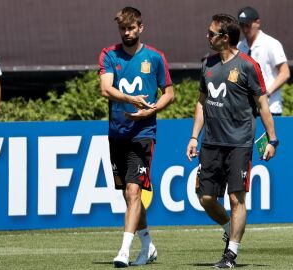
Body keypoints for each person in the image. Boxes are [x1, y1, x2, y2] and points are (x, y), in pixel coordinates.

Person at [186, 14, 278, 268]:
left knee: (237, 198)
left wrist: (272, 139)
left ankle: (231, 254)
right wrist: (194, 136)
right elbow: (202, 102)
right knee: (204, 197)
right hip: (211, 143)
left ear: (225, 38)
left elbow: (262, 104)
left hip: (240, 143)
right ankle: (229, 228)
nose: (207, 36)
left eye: (211, 33)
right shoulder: (208, 64)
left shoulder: (249, 66)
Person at [99, 6, 174, 268]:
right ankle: (148, 245)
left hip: (143, 133)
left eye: (131, 28)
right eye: (123, 29)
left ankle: (123, 251)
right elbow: (106, 89)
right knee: (127, 195)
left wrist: (151, 110)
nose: (127, 33)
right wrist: (130, 99)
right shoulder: (109, 55)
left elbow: (169, 93)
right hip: (117, 133)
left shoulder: (155, 57)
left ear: (141, 28)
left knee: (133, 192)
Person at [237, 6, 290, 116]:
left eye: (248, 25)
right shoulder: (239, 47)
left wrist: (267, 93)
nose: (245, 29)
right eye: (242, 25)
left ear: (258, 23)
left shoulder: (271, 44)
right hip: (246, 112)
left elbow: (285, 73)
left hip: (270, 109)